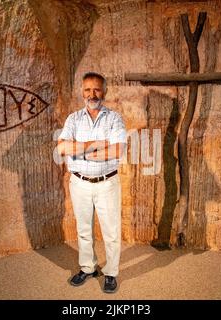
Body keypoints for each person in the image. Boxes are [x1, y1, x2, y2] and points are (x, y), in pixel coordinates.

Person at [57, 72, 127, 293]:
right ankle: (88, 268)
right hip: (79, 183)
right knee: (84, 229)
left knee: (111, 231)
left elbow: (118, 150)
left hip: (107, 183)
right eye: (87, 90)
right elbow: (62, 148)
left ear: (104, 91)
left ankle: (111, 273)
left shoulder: (114, 119)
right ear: (82, 92)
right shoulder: (73, 119)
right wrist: (97, 144)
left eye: (96, 89)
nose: (92, 94)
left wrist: (80, 150)